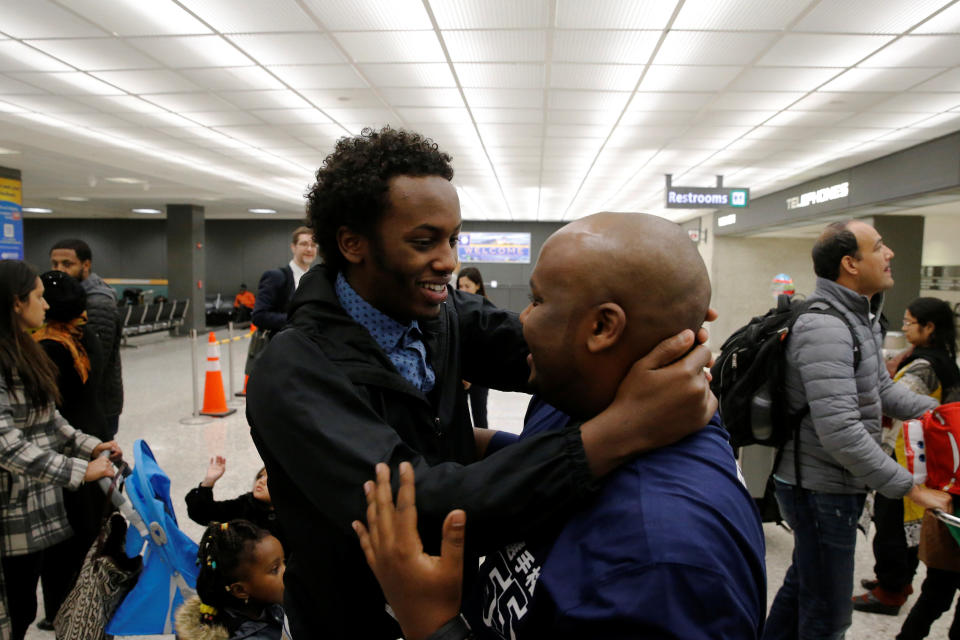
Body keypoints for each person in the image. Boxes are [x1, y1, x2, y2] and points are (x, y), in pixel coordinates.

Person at [246, 127, 716, 639]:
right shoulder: (293, 371)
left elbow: (553, 351)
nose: (448, 261)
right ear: (352, 243)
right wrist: (622, 431)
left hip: (456, 601)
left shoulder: (441, 314)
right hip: (351, 620)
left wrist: (660, 330)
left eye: (452, 238)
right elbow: (418, 507)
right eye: (423, 242)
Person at [358, 213, 766, 639]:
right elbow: (537, 459)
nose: (523, 319)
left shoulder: (661, 563)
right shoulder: (576, 403)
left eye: (537, 301)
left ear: (603, 326)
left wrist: (433, 624)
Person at [763, 221, 952, 640]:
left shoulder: (859, 318)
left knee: (803, 586)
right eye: (879, 247)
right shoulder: (827, 328)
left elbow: (882, 390)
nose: (890, 254)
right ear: (850, 264)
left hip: (832, 483)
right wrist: (911, 488)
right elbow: (841, 432)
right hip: (818, 488)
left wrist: (944, 413)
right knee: (828, 615)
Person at [0, 260, 121, 640]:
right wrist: (77, 470)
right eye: (38, 296)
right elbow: (7, 446)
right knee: (13, 609)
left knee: (23, 604)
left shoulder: (26, 349)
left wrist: (89, 446)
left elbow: (49, 418)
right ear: (16, 303)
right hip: (9, 507)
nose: (46, 305)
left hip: (34, 501)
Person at [854, 296, 960, 615]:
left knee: (892, 526)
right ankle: (897, 582)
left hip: (907, 459)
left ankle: (890, 591)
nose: (905, 328)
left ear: (929, 327)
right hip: (922, 460)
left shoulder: (925, 365)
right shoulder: (939, 359)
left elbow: (897, 401)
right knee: (899, 526)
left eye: (909, 322)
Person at [32, 270, 110, 630]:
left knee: (65, 539)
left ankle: (61, 610)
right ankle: (86, 605)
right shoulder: (84, 336)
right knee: (89, 532)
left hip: (68, 451)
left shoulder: (47, 347)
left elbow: (49, 414)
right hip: (92, 438)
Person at [49, 239, 123, 438]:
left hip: (97, 404)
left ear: (86, 265)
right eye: (55, 264)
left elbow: (93, 362)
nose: (59, 270)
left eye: (67, 264)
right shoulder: (65, 299)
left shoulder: (97, 302)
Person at [175, 520, 285, 640]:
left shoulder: (267, 602)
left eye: (284, 562)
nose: (286, 571)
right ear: (240, 590)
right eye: (275, 569)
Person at [185, 457, 285, 550]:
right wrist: (208, 482)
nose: (261, 481)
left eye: (268, 479)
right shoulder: (245, 505)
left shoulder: (292, 518)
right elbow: (202, 513)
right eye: (260, 476)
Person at [250, 227, 316, 333]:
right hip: (282, 344)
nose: (309, 249)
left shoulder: (317, 279)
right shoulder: (276, 277)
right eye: (304, 244)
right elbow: (259, 316)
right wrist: (297, 320)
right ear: (293, 247)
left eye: (313, 245)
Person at [457, 267, 489, 429]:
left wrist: (470, 376)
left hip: (479, 375)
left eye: (467, 286)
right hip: (458, 375)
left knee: (480, 417)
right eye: (460, 286)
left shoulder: (486, 311)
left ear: (477, 286)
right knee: (458, 420)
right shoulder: (453, 310)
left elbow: (485, 347)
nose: (462, 290)